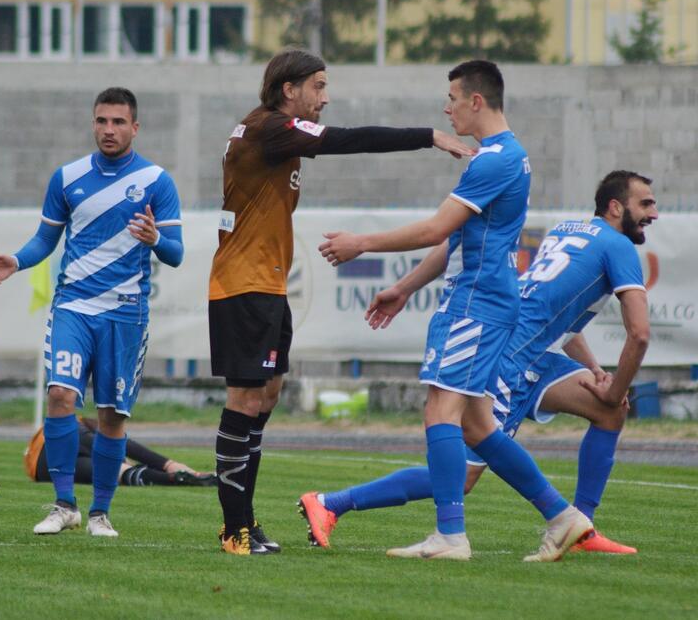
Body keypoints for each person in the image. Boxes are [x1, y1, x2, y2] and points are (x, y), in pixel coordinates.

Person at [317, 60, 593, 562]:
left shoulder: (493, 160)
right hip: (488, 300)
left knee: (440, 410)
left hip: (475, 303)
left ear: (476, 101)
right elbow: (459, 238)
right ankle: (563, 516)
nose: (446, 108)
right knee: (478, 426)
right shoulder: (507, 156)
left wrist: (362, 242)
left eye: (451, 98)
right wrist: (403, 287)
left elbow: (435, 229)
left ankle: (450, 536)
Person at [300, 170, 657, 556]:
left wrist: (598, 373)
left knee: (610, 412)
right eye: (646, 204)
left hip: (532, 354)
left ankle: (580, 530)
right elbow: (639, 334)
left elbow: (552, 309)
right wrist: (615, 387)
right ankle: (331, 503)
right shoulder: (619, 247)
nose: (654, 213)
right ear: (616, 207)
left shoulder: (567, 231)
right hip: (508, 360)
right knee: (464, 476)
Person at [208, 47, 475, 556]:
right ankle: (233, 529)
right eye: (319, 87)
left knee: (265, 398)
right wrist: (429, 136)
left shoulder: (270, 132)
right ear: (290, 90)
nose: (325, 98)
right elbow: (349, 140)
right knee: (244, 400)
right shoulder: (270, 128)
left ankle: (244, 520)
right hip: (242, 287)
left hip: (265, 285)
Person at [0, 87, 183, 539]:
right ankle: (63, 505)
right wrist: (16, 260)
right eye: (101, 121)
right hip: (74, 305)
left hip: (126, 314)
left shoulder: (157, 181)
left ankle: (100, 513)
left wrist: (155, 239)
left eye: (118, 122)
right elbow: (44, 239)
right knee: (60, 397)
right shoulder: (67, 177)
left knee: (112, 417)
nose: (108, 129)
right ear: (93, 123)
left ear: (135, 127)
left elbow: (176, 254)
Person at [23, 417, 215, 487]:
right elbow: (127, 445)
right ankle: (175, 473)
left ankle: (175, 478)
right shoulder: (84, 425)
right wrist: (167, 463)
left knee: (118, 471)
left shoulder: (81, 425)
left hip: (43, 465)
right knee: (116, 464)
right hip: (51, 445)